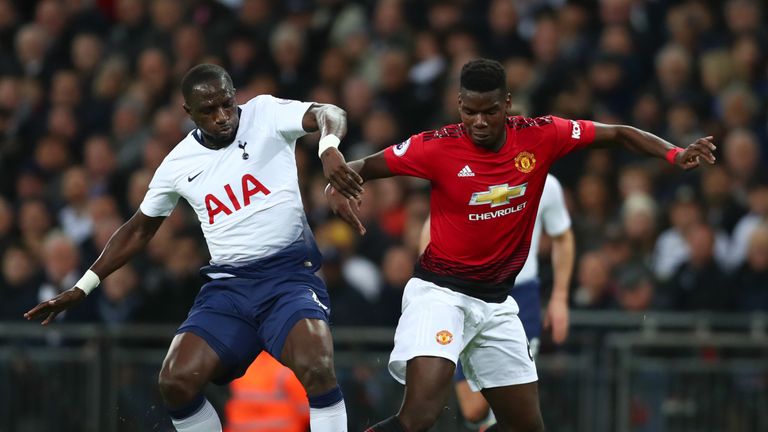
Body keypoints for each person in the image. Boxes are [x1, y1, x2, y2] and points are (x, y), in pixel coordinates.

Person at [326, 58, 716, 432]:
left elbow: (619, 133)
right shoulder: (435, 146)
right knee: (420, 416)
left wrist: (674, 153)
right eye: (470, 111)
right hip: (440, 293)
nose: (479, 122)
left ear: (507, 104)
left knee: (526, 426)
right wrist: (338, 185)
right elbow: (367, 165)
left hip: (497, 304)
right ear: (459, 104)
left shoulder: (541, 134)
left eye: (490, 111)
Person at [25, 64, 364, 432]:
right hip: (229, 290)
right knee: (175, 381)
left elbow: (329, 112)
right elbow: (139, 229)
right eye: (208, 110)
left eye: (227, 104)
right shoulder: (177, 164)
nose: (222, 117)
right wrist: (83, 286)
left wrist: (329, 147)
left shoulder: (265, 113)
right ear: (188, 112)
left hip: (288, 278)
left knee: (317, 366)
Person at [417, 173, 575, 430]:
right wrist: (432, 287)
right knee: (474, 408)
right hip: (467, 292)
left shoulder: (545, 183)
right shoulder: (467, 174)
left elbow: (562, 236)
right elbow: (434, 225)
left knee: (508, 396)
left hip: (520, 296)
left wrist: (560, 297)